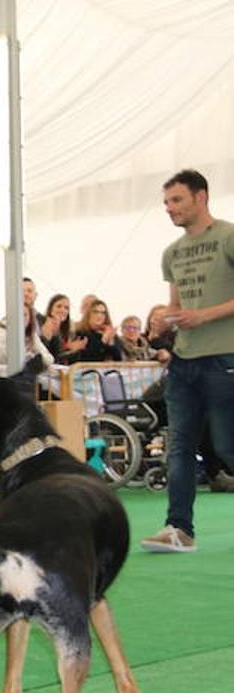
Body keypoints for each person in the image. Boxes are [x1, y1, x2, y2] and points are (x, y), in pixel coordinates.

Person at [141, 169, 234, 553]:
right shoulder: (172, 253)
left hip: (224, 358)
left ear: (201, 197)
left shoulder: (228, 237)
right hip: (184, 361)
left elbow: (203, 310)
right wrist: (167, 319)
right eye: (166, 202)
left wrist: (205, 315)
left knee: (228, 447)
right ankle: (179, 529)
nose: (170, 208)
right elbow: (178, 305)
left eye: (177, 200)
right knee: (178, 447)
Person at [0, 299, 54, 366]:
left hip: (18, 376)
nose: (21, 318)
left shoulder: (31, 336)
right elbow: (3, 356)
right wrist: (30, 357)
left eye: (25, 315)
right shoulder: (1, 331)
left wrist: (33, 358)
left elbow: (49, 358)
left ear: (30, 318)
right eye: (18, 314)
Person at [40, 292, 87, 362]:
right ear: (50, 309)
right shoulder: (43, 326)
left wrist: (72, 350)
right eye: (59, 306)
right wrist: (70, 350)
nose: (62, 310)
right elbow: (50, 357)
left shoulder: (68, 331)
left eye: (66, 308)